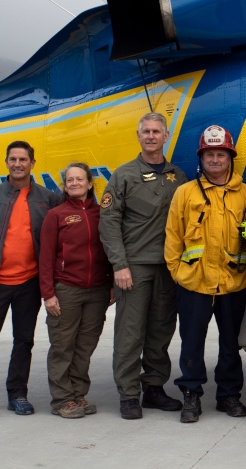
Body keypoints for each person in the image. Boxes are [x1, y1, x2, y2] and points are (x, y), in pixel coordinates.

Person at [0, 141, 61, 421]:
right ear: (6, 162)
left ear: (33, 163)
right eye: (13, 159)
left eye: (23, 159)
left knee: (23, 341)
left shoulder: (47, 199)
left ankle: (17, 394)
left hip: (29, 284)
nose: (18, 164)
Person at [165, 125, 246, 423]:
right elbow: (173, 237)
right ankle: (191, 393)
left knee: (231, 343)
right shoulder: (184, 193)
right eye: (209, 154)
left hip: (233, 283)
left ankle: (229, 395)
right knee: (192, 342)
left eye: (221, 154)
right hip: (194, 283)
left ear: (230, 157)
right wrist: (178, 273)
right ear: (201, 158)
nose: (215, 159)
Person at [100, 112, 187, 419]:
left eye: (156, 131)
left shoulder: (178, 176)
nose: (151, 136)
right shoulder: (123, 175)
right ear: (138, 136)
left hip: (168, 268)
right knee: (130, 333)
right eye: (146, 131)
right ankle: (127, 393)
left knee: (161, 331)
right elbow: (108, 222)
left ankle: (154, 388)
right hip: (134, 267)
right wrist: (119, 265)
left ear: (166, 137)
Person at [39, 162, 114, 419]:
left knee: (85, 346)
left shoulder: (101, 213)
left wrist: (112, 283)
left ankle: (78, 394)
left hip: (97, 292)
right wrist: (48, 293)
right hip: (66, 290)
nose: (74, 183)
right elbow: (46, 256)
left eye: (79, 179)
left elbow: (109, 249)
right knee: (62, 345)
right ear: (64, 185)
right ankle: (62, 399)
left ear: (90, 183)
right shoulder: (56, 215)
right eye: (69, 180)